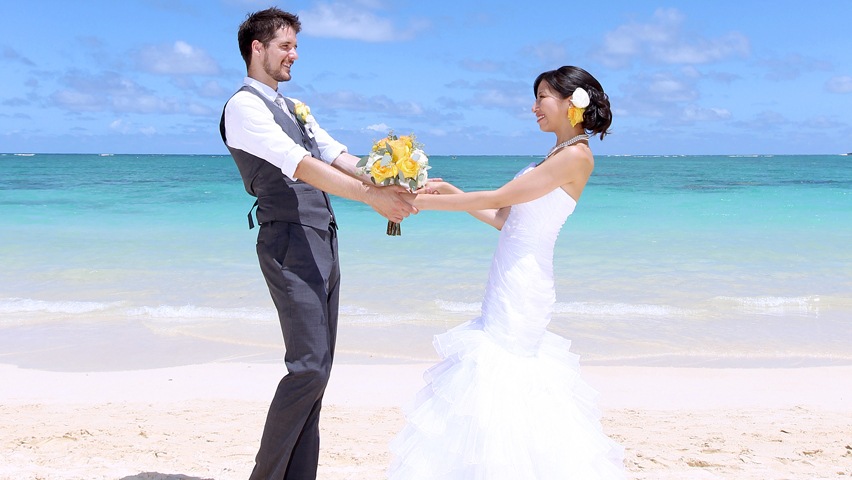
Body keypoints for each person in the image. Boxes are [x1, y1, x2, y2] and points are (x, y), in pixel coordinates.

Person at [389, 66, 626, 478]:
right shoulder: (555, 155)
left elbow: (499, 197)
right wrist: (449, 191)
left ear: (573, 103)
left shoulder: (575, 156)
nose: (534, 107)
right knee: (497, 380)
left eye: (543, 97)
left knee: (501, 378)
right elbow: (504, 217)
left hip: (525, 284)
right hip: (509, 277)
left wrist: (419, 203)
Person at [218, 8, 416, 480]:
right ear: (257, 49)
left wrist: (394, 178)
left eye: (295, 46)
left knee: (320, 371)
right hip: (287, 241)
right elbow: (299, 164)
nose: (294, 55)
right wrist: (372, 198)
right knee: (307, 367)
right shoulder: (243, 107)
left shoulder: (293, 106)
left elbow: (333, 153)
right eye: (285, 46)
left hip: (321, 238)